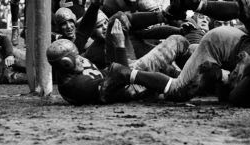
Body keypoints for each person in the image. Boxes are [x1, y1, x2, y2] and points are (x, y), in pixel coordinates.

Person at [48, 34, 191, 105]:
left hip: (126, 79)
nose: (80, 59)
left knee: (173, 64)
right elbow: (119, 77)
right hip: (130, 86)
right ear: (65, 63)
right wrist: (120, 46)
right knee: (178, 41)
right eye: (75, 58)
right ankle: (178, 85)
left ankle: (186, 80)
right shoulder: (76, 86)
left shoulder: (73, 72)